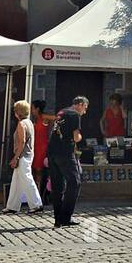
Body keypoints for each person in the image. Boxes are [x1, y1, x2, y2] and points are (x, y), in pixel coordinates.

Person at [46, 95, 88, 228]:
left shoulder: (61, 112)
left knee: (57, 186)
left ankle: (58, 218)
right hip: (65, 152)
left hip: (52, 152)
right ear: (80, 104)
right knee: (75, 182)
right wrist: (80, 137)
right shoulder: (75, 115)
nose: (84, 112)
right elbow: (76, 137)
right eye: (85, 108)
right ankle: (66, 216)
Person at [4, 101, 44, 214]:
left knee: (27, 179)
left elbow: (21, 143)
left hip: (22, 156)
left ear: (18, 112)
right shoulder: (29, 122)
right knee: (16, 181)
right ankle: (12, 206)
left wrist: (15, 158)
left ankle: (37, 204)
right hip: (28, 155)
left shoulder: (21, 124)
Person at [31, 102, 49, 206]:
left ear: (37, 109)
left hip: (42, 148)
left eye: (33, 108)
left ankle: (40, 194)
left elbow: (56, 117)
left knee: (39, 171)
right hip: (36, 147)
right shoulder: (36, 119)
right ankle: (38, 193)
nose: (32, 110)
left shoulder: (43, 117)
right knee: (36, 171)